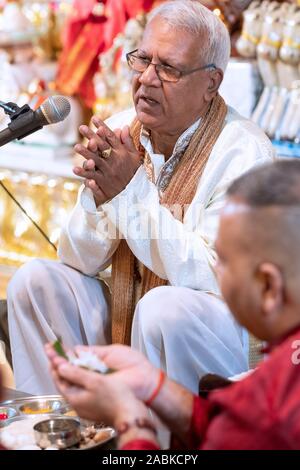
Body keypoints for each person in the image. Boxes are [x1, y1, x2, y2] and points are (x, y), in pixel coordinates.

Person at [8, 0, 275, 395]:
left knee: (164, 308)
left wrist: (130, 193)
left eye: (168, 68)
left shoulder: (244, 153)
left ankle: (170, 440)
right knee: (35, 280)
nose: (147, 78)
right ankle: (64, 425)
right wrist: (100, 200)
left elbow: (212, 277)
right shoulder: (120, 129)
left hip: (205, 335)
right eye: (142, 59)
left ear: (211, 84)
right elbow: (76, 259)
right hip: (125, 321)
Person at [47, 160, 300, 450]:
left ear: (269, 286)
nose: (217, 270)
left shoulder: (278, 403)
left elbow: (242, 429)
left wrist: (131, 418)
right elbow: (229, 421)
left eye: (224, 261)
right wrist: (152, 385)